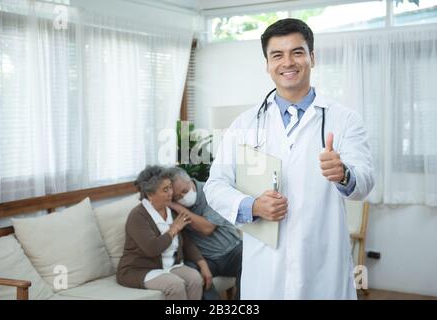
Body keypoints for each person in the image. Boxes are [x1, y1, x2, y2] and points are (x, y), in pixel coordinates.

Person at [203, 18, 374, 299]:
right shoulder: (245, 124)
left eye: (297, 52)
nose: (288, 62)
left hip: (322, 263)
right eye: (277, 55)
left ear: (312, 58)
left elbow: (365, 182)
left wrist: (344, 174)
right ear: (267, 64)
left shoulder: (344, 120)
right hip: (266, 267)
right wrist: (252, 205)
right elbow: (215, 186)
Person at [116, 165, 213, 300]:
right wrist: (173, 229)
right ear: (150, 194)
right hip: (140, 270)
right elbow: (152, 248)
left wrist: (204, 266)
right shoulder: (138, 216)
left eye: (170, 187)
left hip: (169, 266)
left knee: (195, 279)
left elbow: (187, 244)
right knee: (176, 285)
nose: (171, 193)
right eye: (165, 190)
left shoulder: (171, 211)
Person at [167, 167, 243, 300]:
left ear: (190, 180)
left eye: (184, 191)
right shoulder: (172, 208)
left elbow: (207, 228)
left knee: (248, 261)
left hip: (232, 251)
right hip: (206, 258)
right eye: (177, 197)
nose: (183, 198)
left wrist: (178, 208)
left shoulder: (211, 192)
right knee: (191, 273)